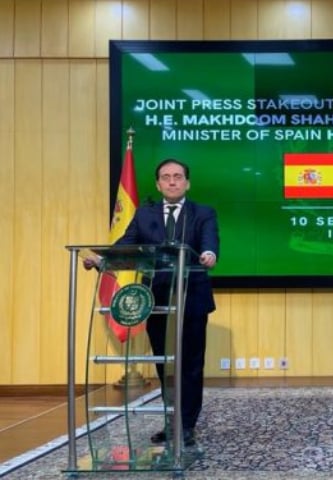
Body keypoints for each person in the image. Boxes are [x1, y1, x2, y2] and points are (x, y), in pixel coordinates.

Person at [85, 158, 219, 447]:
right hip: (157, 298)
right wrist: (100, 259)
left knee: (191, 363)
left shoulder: (203, 213)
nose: (172, 181)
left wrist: (209, 254)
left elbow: (210, 241)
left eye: (178, 176)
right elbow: (126, 244)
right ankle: (172, 422)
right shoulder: (145, 215)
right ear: (158, 184)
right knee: (164, 362)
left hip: (192, 296)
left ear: (187, 182)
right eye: (166, 177)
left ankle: (187, 425)